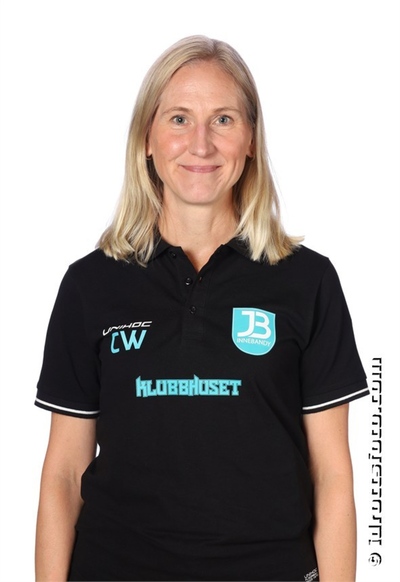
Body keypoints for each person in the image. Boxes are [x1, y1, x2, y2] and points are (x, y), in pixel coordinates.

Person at [35, 35, 369, 582]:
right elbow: (64, 475)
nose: (201, 145)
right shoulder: (89, 285)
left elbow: (332, 476)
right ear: (147, 138)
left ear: (251, 140)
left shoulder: (308, 282)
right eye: (179, 119)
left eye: (223, 121)